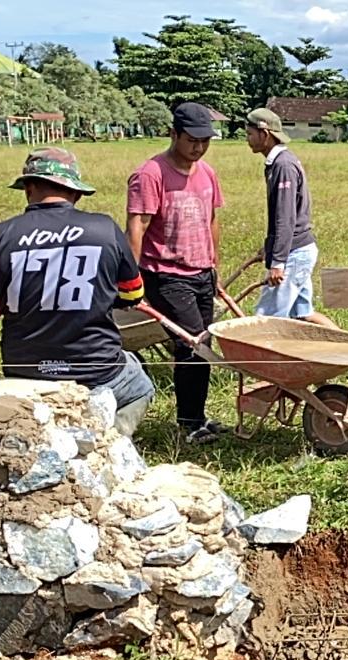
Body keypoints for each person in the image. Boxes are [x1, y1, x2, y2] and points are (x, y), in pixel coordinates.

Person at [0, 148, 154, 436]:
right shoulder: (104, 228)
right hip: (97, 372)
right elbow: (133, 294)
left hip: (24, 371)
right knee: (140, 386)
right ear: (75, 192)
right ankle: (110, 442)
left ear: (29, 187)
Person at [126, 102, 227, 444]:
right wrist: (131, 278)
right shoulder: (151, 174)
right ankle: (189, 425)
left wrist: (215, 266)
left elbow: (212, 220)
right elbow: (137, 225)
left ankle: (195, 415)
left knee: (204, 342)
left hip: (201, 271)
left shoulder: (207, 173)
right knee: (192, 345)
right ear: (174, 134)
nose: (198, 148)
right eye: (192, 140)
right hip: (165, 273)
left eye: (205, 141)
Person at [243, 107, 337, 328]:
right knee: (302, 315)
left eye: (249, 134)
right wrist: (269, 246)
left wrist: (278, 262)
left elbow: (285, 218)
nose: (247, 139)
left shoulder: (283, 165)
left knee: (267, 319)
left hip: (294, 253)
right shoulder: (278, 162)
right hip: (299, 250)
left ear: (264, 134)